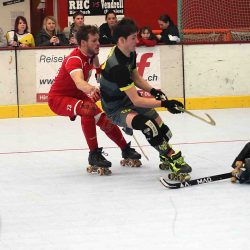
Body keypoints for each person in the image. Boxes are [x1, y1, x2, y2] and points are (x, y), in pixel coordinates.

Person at [99, 18, 192, 182]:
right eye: (133, 38)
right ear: (121, 40)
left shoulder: (129, 52)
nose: (137, 40)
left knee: (161, 126)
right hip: (115, 108)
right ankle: (171, 156)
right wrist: (165, 104)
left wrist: (153, 91)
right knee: (148, 125)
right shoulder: (117, 66)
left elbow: (135, 76)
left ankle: (164, 154)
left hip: (126, 99)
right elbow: (136, 101)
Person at [48, 25, 142, 175]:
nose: (98, 43)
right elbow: (79, 82)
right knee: (89, 109)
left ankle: (125, 149)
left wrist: (98, 70)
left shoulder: (91, 54)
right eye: (94, 41)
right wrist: (91, 89)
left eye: (98, 39)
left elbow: (95, 60)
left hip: (76, 95)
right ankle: (94, 155)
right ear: (83, 43)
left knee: (104, 120)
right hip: (58, 99)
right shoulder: (74, 59)